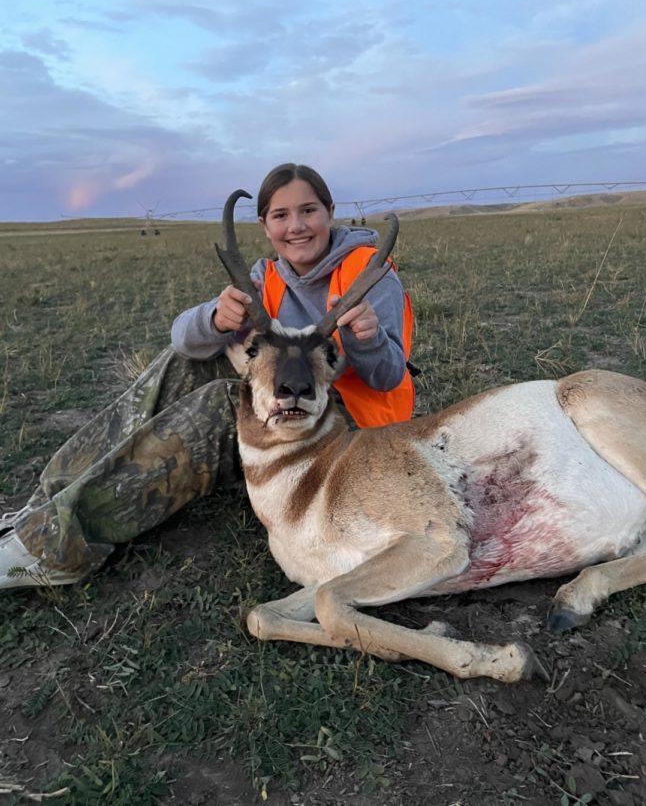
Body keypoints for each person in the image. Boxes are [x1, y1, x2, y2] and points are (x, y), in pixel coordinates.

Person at [0, 164, 414, 590]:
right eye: (281, 216)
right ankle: (46, 503)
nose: (297, 226)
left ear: (329, 212)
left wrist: (366, 339)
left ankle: (56, 549)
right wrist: (215, 319)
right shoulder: (263, 278)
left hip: (355, 431)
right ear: (264, 225)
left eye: (308, 211)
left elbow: (387, 377)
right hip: (285, 409)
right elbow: (182, 341)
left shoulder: (370, 275)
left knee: (225, 401)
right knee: (190, 360)